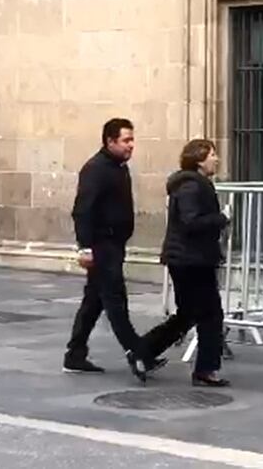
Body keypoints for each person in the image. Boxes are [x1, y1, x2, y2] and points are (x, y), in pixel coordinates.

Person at [64, 118, 165, 382]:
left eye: (132, 140)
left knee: (94, 301)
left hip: (114, 245)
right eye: (126, 140)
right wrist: (84, 248)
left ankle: (75, 354)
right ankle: (138, 352)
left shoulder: (119, 167)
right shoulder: (96, 169)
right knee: (115, 300)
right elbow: (82, 210)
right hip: (101, 246)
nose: (131, 145)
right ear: (110, 141)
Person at [141, 139, 231, 387]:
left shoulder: (192, 183)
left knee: (189, 314)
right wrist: (221, 218)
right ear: (199, 159)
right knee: (210, 314)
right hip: (191, 260)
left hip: (189, 258)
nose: (217, 159)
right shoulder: (192, 186)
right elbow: (191, 222)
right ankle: (205, 370)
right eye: (212, 154)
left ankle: (142, 350)